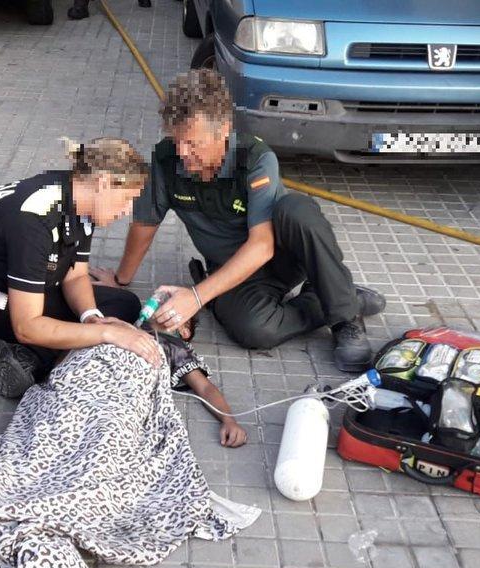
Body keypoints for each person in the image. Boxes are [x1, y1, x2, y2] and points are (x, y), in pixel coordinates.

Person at [0, 137, 159, 510]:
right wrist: (105, 334)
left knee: (119, 302)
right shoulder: (34, 217)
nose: (126, 212)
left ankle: (21, 357)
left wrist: (93, 317)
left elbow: (75, 277)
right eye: (126, 201)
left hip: (1, 289)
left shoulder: (78, 200)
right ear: (104, 183)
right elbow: (28, 324)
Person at [92, 69, 386, 373]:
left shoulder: (256, 158)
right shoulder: (167, 159)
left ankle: (345, 318)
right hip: (232, 271)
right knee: (254, 332)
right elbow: (145, 223)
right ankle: (336, 295)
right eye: (177, 141)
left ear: (224, 131)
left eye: (193, 143)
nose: (182, 152)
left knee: (297, 210)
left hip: (281, 257)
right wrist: (121, 280)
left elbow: (262, 246)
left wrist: (195, 296)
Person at [151, 314, 248, 448]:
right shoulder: (131, 325)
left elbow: (205, 388)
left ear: (184, 332)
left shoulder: (176, 348)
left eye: (173, 309)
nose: (162, 307)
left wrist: (228, 420)